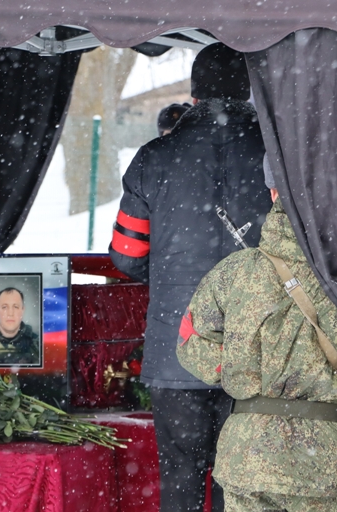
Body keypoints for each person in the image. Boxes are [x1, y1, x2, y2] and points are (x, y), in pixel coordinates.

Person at [176, 170, 337, 512]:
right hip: (329, 466)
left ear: (273, 194)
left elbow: (190, 344)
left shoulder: (234, 271)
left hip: (247, 459)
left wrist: (242, 370)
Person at [109, 42, 272, 512]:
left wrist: (168, 273)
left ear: (195, 95)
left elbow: (126, 256)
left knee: (180, 482)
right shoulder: (276, 155)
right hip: (256, 351)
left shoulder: (154, 157)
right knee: (240, 487)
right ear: (249, 90)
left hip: (176, 347)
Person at [0, 287, 40, 365]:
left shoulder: (38, 344)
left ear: (22, 310)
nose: (10, 313)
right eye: (4, 307)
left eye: (16, 307)